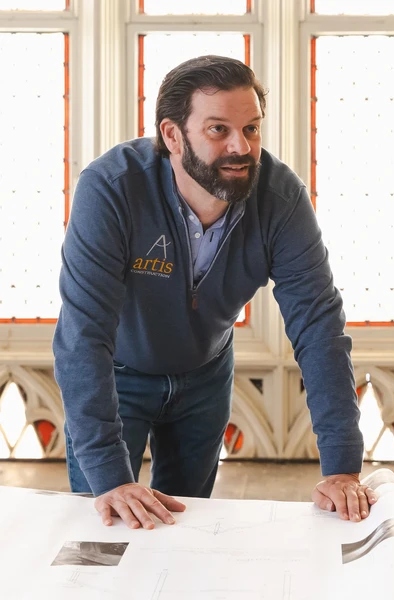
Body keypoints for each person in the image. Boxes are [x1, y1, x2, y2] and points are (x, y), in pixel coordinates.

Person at [53, 55, 376, 530]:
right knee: (110, 522)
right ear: (171, 135)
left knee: (184, 529)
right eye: (218, 130)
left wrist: (343, 468)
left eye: (251, 129)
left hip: (204, 378)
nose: (240, 147)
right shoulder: (111, 189)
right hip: (116, 375)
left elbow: (319, 327)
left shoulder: (281, 199)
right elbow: (82, 334)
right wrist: (108, 477)